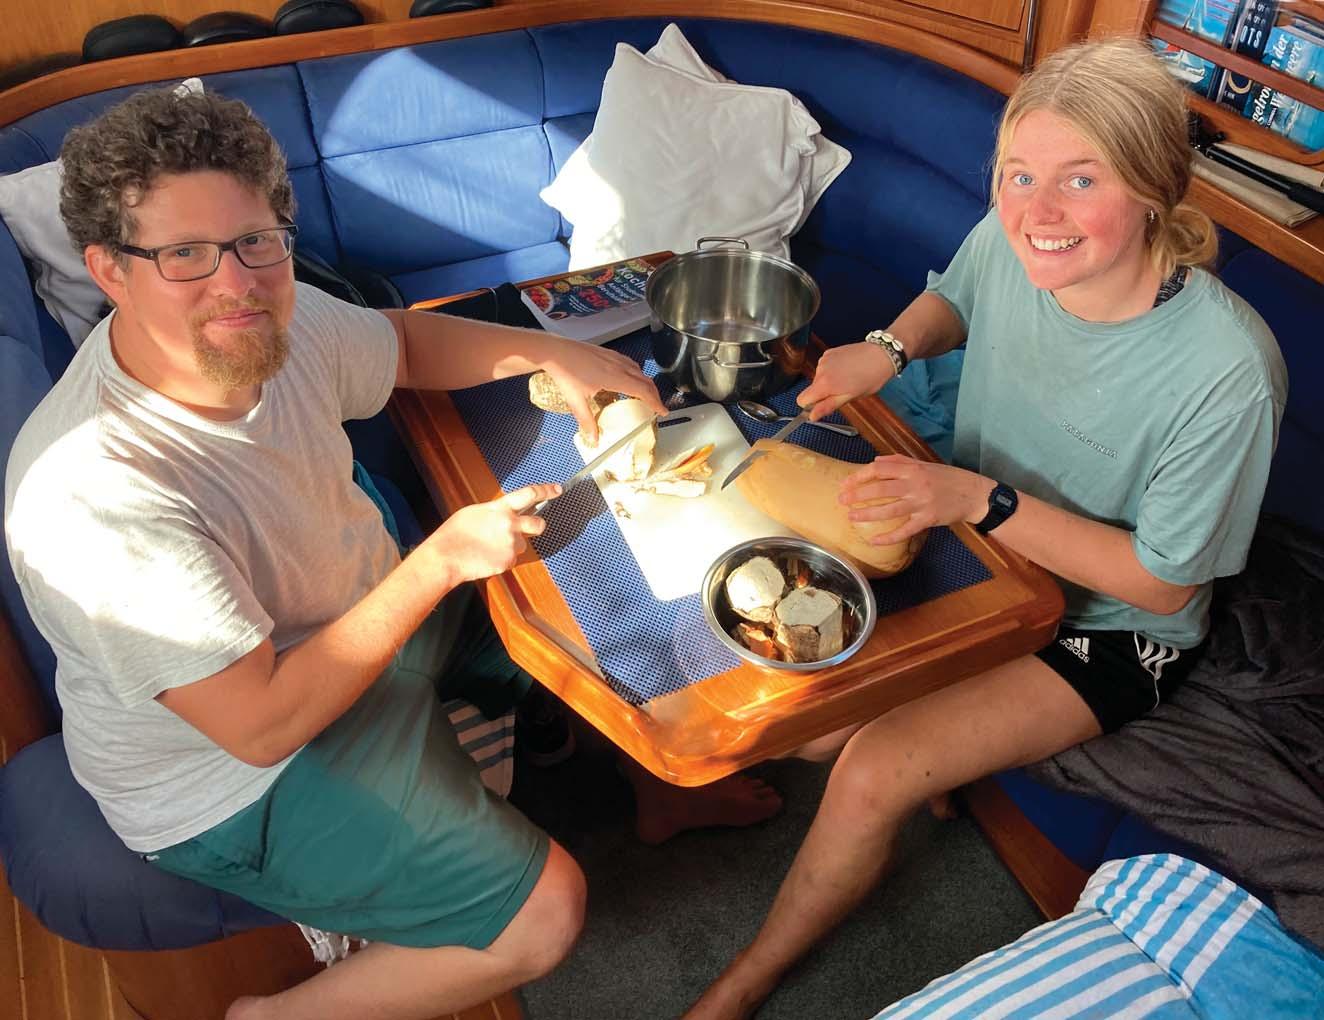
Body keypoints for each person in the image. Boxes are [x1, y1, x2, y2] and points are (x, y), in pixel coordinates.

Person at [1, 85, 725, 1020]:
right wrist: (440, 562)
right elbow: (260, 726)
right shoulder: (96, 495)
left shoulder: (274, 313)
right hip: (233, 776)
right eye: (183, 255)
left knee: (604, 601)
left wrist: (553, 356)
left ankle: (657, 791)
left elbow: (404, 343)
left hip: (354, 614)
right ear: (110, 270)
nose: (234, 283)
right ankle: (270, 1016)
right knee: (544, 916)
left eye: (255, 241)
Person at [682, 38, 1288, 1020]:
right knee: (802, 730)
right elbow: (956, 296)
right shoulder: (1016, 240)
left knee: (867, 768)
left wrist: (977, 501)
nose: (1037, 211)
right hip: (982, 554)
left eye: (1080, 179)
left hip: (1114, 630)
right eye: (1018, 175)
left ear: (1152, 190)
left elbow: (1165, 585)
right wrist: (888, 349)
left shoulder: (1228, 371)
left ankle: (746, 979)